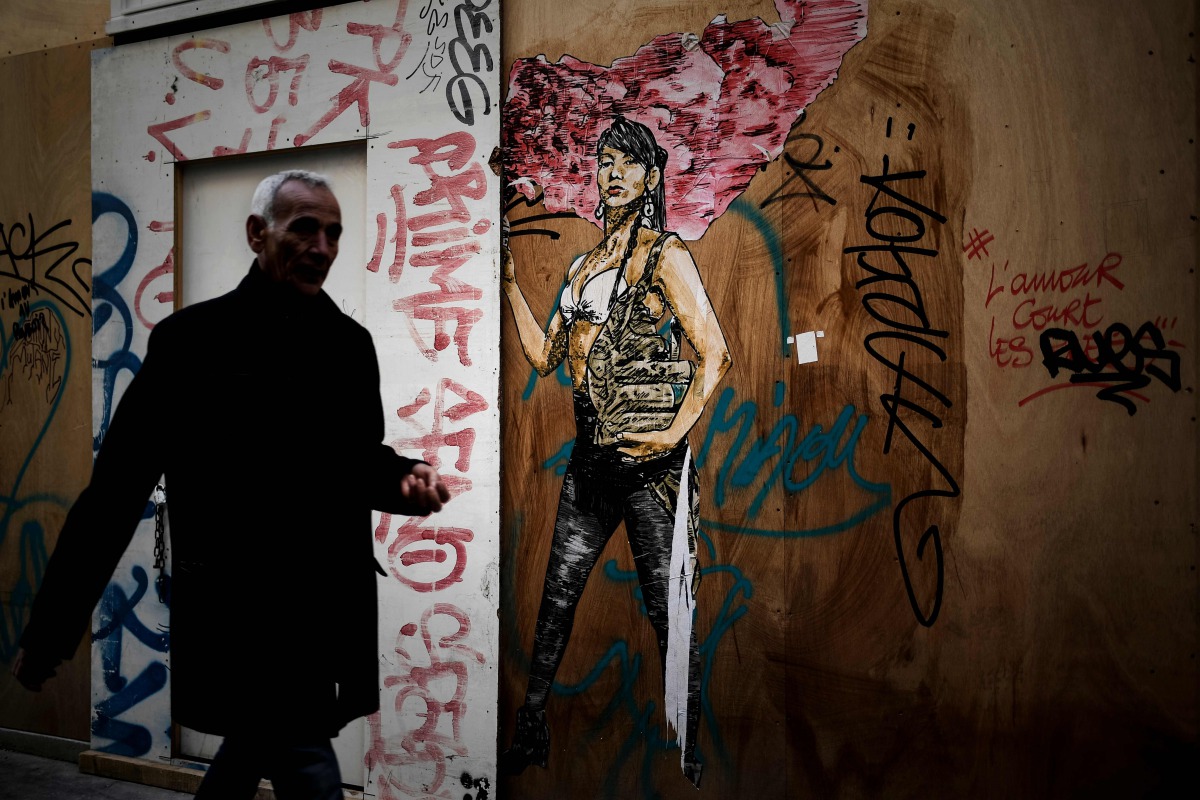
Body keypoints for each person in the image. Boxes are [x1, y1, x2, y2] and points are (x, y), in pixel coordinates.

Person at [11, 170, 451, 800]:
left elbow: (355, 461)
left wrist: (402, 480)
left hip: (319, 609)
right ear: (257, 233)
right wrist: (52, 630)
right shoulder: (192, 344)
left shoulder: (350, 347)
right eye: (304, 227)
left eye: (333, 233)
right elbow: (114, 492)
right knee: (306, 762)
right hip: (238, 614)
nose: (322, 246)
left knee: (254, 749)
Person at [500, 116, 731, 787]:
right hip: (590, 463)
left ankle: (690, 753)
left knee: (668, 611)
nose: (613, 173)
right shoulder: (581, 269)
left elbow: (715, 353)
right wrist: (510, 283)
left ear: (652, 176)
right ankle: (533, 730)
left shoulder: (667, 257)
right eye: (604, 161)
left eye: (627, 162)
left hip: (650, 472)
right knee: (555, 605)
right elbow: (545, 357)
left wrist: (672, 432)